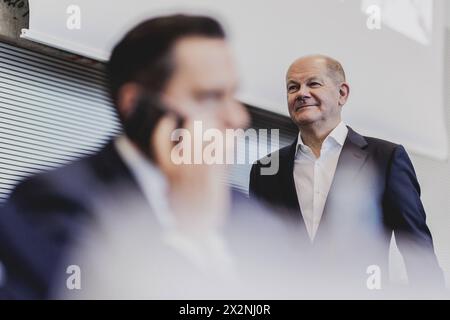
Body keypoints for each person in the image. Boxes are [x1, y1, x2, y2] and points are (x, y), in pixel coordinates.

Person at [0, 14, 300, 299]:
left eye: (233, 95)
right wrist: (191, 232)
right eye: (210, 96)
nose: (238, 117)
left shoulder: (250, 215)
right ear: (137, 105)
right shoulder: (53, 201)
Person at [249, 54, 444, 289]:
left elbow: (417, 252)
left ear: (342, 94)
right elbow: (256, 253)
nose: (301, 93)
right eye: (293, 87)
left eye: (313, 83)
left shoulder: (386, 157)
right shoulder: (266, 168)